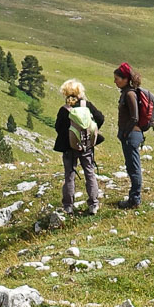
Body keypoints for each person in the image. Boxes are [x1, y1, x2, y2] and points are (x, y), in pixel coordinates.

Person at [54, 78, 104, 215]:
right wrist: (91, 131)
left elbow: (58, 127)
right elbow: (100, 118)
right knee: (89, 172)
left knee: (69, 175)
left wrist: (69, 137)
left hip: (69, 148)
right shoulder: (87, 105)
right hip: (87, 146)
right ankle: (93, 204)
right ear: (80, 92)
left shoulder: (64, 110)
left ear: (65, 93)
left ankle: (68, 206)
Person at [113, 62, 151, 208]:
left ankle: (135, 200)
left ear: (124, 79)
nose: (115, 81)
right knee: (131, 166)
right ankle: (134, 198)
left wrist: (125, 133)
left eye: (117, 78)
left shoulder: (129, 94)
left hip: (131, 135)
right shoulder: (127, 93)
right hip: (131, 135)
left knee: (134, 167)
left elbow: (134, 117)